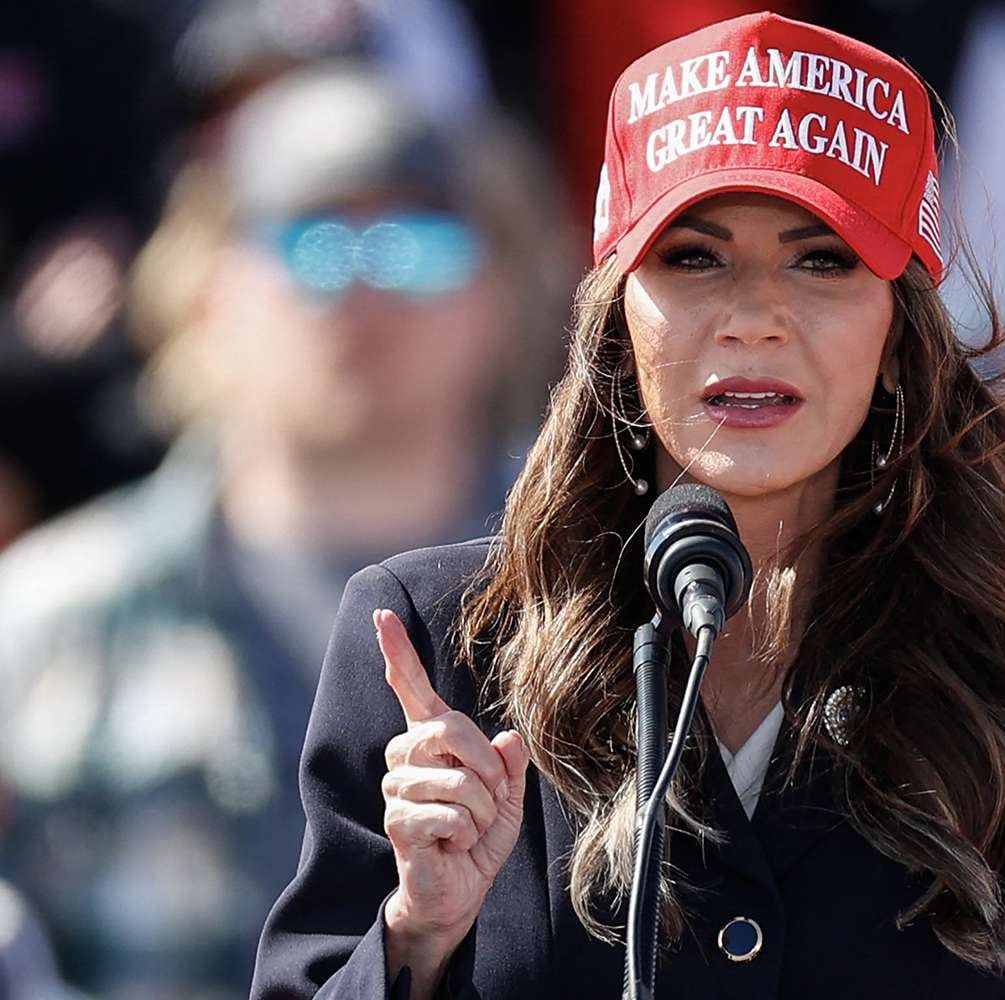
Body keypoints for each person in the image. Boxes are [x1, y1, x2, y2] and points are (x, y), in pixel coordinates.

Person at [251, 14, 1005, 999]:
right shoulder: (434, 650)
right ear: (619, 308)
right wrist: (416, 933)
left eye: (821, 259)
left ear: (900, 324)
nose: (753, 317)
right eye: (695, 258)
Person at [0, 64, 569, 999]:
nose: (362, 292)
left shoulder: (606, 599)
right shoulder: (41, 621)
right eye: (310, 241)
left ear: (501, 291)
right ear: (205, 287)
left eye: (414, 243)